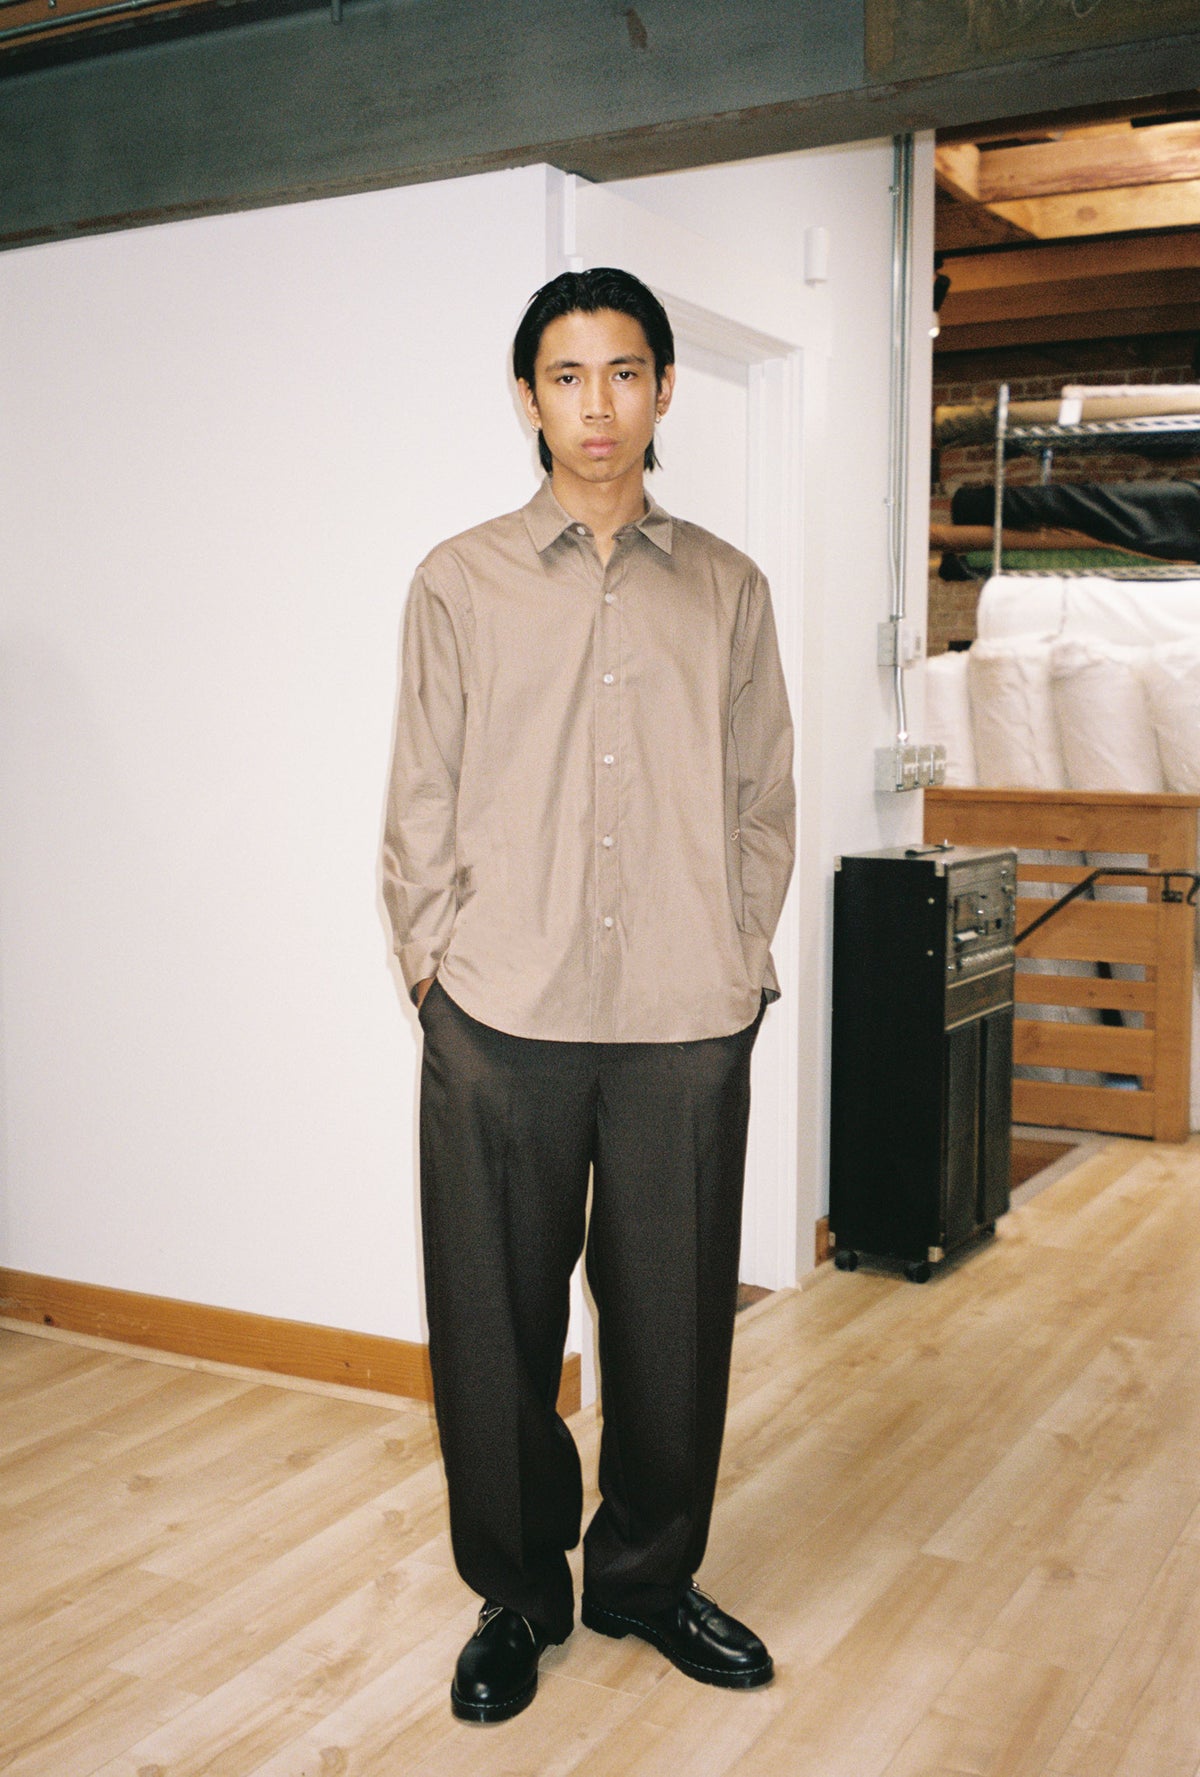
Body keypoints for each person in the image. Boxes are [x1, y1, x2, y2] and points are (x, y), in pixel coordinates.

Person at [382, 266, 794, 1723]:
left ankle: (644, 1578)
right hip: (502, 1013)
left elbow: (762, 799)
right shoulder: (460, 580)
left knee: (673, 1322)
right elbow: (420, 794)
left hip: (685, 1017)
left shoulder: (729, 589)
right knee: (491, 1323)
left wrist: (736, 956)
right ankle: (517, 1592)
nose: (597, 404)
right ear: (527, 398)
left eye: (624, 372)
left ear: (665, 390)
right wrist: (433, 968)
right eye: (567, 376)